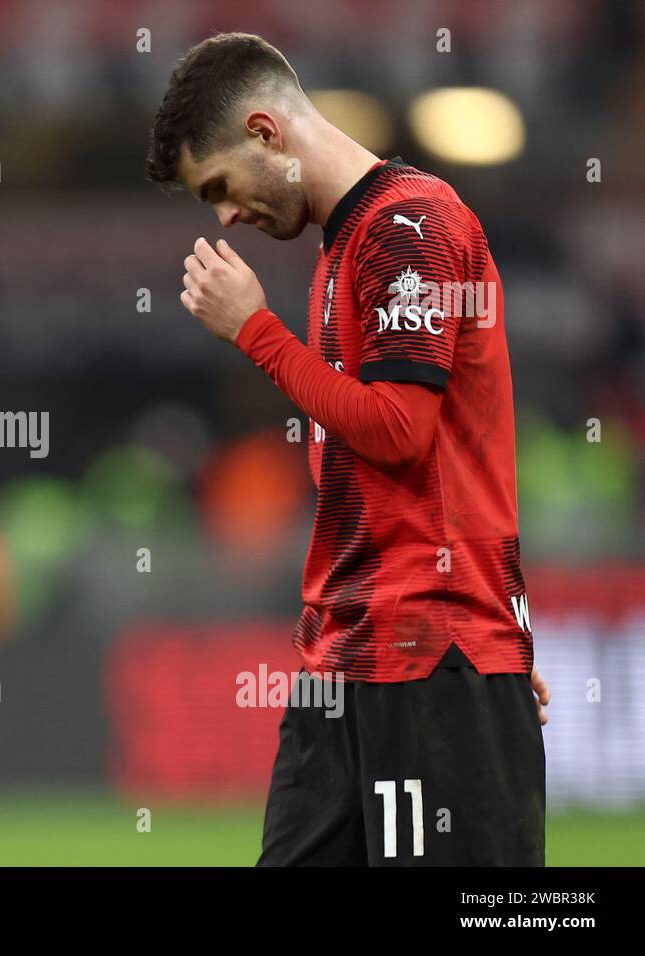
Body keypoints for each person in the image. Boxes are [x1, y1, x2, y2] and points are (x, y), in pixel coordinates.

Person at [146, 32, 547, 865]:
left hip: (427, 656)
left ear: (265, 133)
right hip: (351, 659)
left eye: (217, 186)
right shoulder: (345, 242)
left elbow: (401, 432)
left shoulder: (412, 226)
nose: (225, 216)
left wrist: (255, 332)